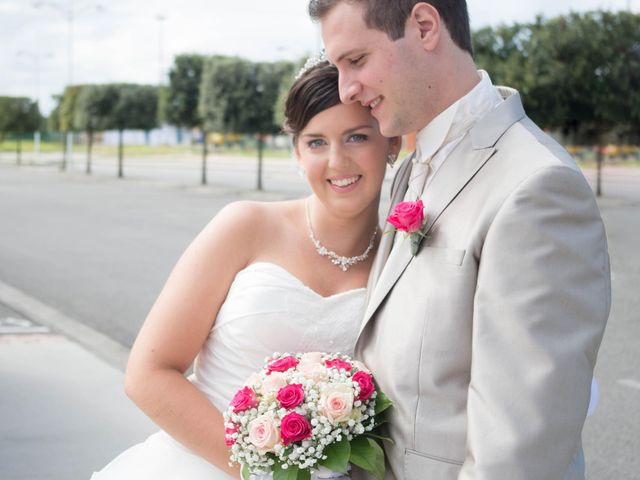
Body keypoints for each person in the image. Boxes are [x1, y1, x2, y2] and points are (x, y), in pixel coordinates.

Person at [309, 1, 611, 479]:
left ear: (425, 27)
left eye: (356, 61)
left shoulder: (537, 186)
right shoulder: (414, 163)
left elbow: (519, 455)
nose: (347, 88)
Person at [90, 60, 401, 480]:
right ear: (296, 151)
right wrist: (259, 471)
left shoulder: (399, 259)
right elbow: (147, 374)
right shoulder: (245, 226)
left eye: (357, 137)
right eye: (315, 143)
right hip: (202, 465)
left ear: (392, 143)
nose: (337, 161)